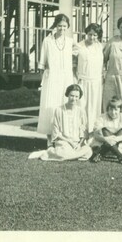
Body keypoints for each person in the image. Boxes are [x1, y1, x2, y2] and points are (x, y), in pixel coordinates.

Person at [37, 13, 77, 147]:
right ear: (55, 26)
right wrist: (42, 81)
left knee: (66, 106)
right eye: (59, 26)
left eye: (65, 26)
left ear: (68, 27)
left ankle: (65, 137)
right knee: (51, 106)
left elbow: (79, 56)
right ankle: (50, 139)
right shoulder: (47, 41)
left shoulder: (71, 41)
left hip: (66, 78)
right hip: (52, 77)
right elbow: (42, 62)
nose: (62, 29)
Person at [29, 84, 93, 161]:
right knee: (63, 153)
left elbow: (83, 131)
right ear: (67, 95)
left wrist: (79, 144)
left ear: (79, 97)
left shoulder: (81, 111)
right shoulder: (59, 110)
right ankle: (50, 152)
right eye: (71, 95)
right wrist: (69, 141)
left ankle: (69, 155)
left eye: (76, 96)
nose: (74, 99)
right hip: (63, 142)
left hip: (76, 143)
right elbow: (56, 132)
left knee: (88, 151)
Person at [74, 23, 104, 133]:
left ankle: (93, 133)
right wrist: (75, 78)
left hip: (96, 82)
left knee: (94, 108)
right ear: (86, 34)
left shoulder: (100, 46)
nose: (92, 37)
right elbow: (72, 63)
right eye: (90, 34)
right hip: (83, 81)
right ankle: (81, 133)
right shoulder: (79, 46)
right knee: (82, 107)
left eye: (95, 35)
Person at [91, 96, 122, 165]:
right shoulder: (102, 117)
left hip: (119, 142)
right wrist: (106, 139)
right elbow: (95, 134)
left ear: (120, 109)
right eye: (111, 109)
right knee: (104, 130)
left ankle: (101, 153)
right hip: (104, 140)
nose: (113, 112)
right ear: (108, 109)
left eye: (116, 110)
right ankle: (120, 156)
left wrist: (116, 139)